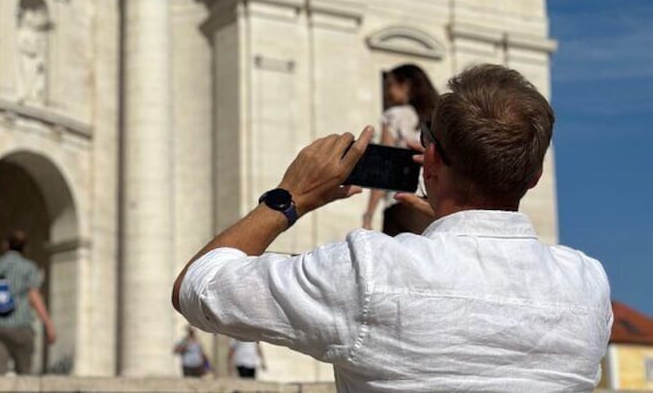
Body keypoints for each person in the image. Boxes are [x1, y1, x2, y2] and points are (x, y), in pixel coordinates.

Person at [173, 65, 612, 391]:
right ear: (533, 176)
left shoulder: (369, 272)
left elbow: (198, 287)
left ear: (431, 160)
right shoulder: (588, 286)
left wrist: (291, 197)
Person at [363, 64, 438, 234]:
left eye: (390, 85)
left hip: (403, 202)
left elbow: (383, 167)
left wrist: (368, 215)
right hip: (434, 204)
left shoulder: (394, 116)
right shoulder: (438, 119)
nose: (386, 93)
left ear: (406, 85)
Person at [0, 229, 56, 375]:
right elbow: (34, 296)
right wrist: (48, 324)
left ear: (5, 245)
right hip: (20, 327)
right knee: (24, 373)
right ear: (25, 248)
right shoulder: (28, 267)